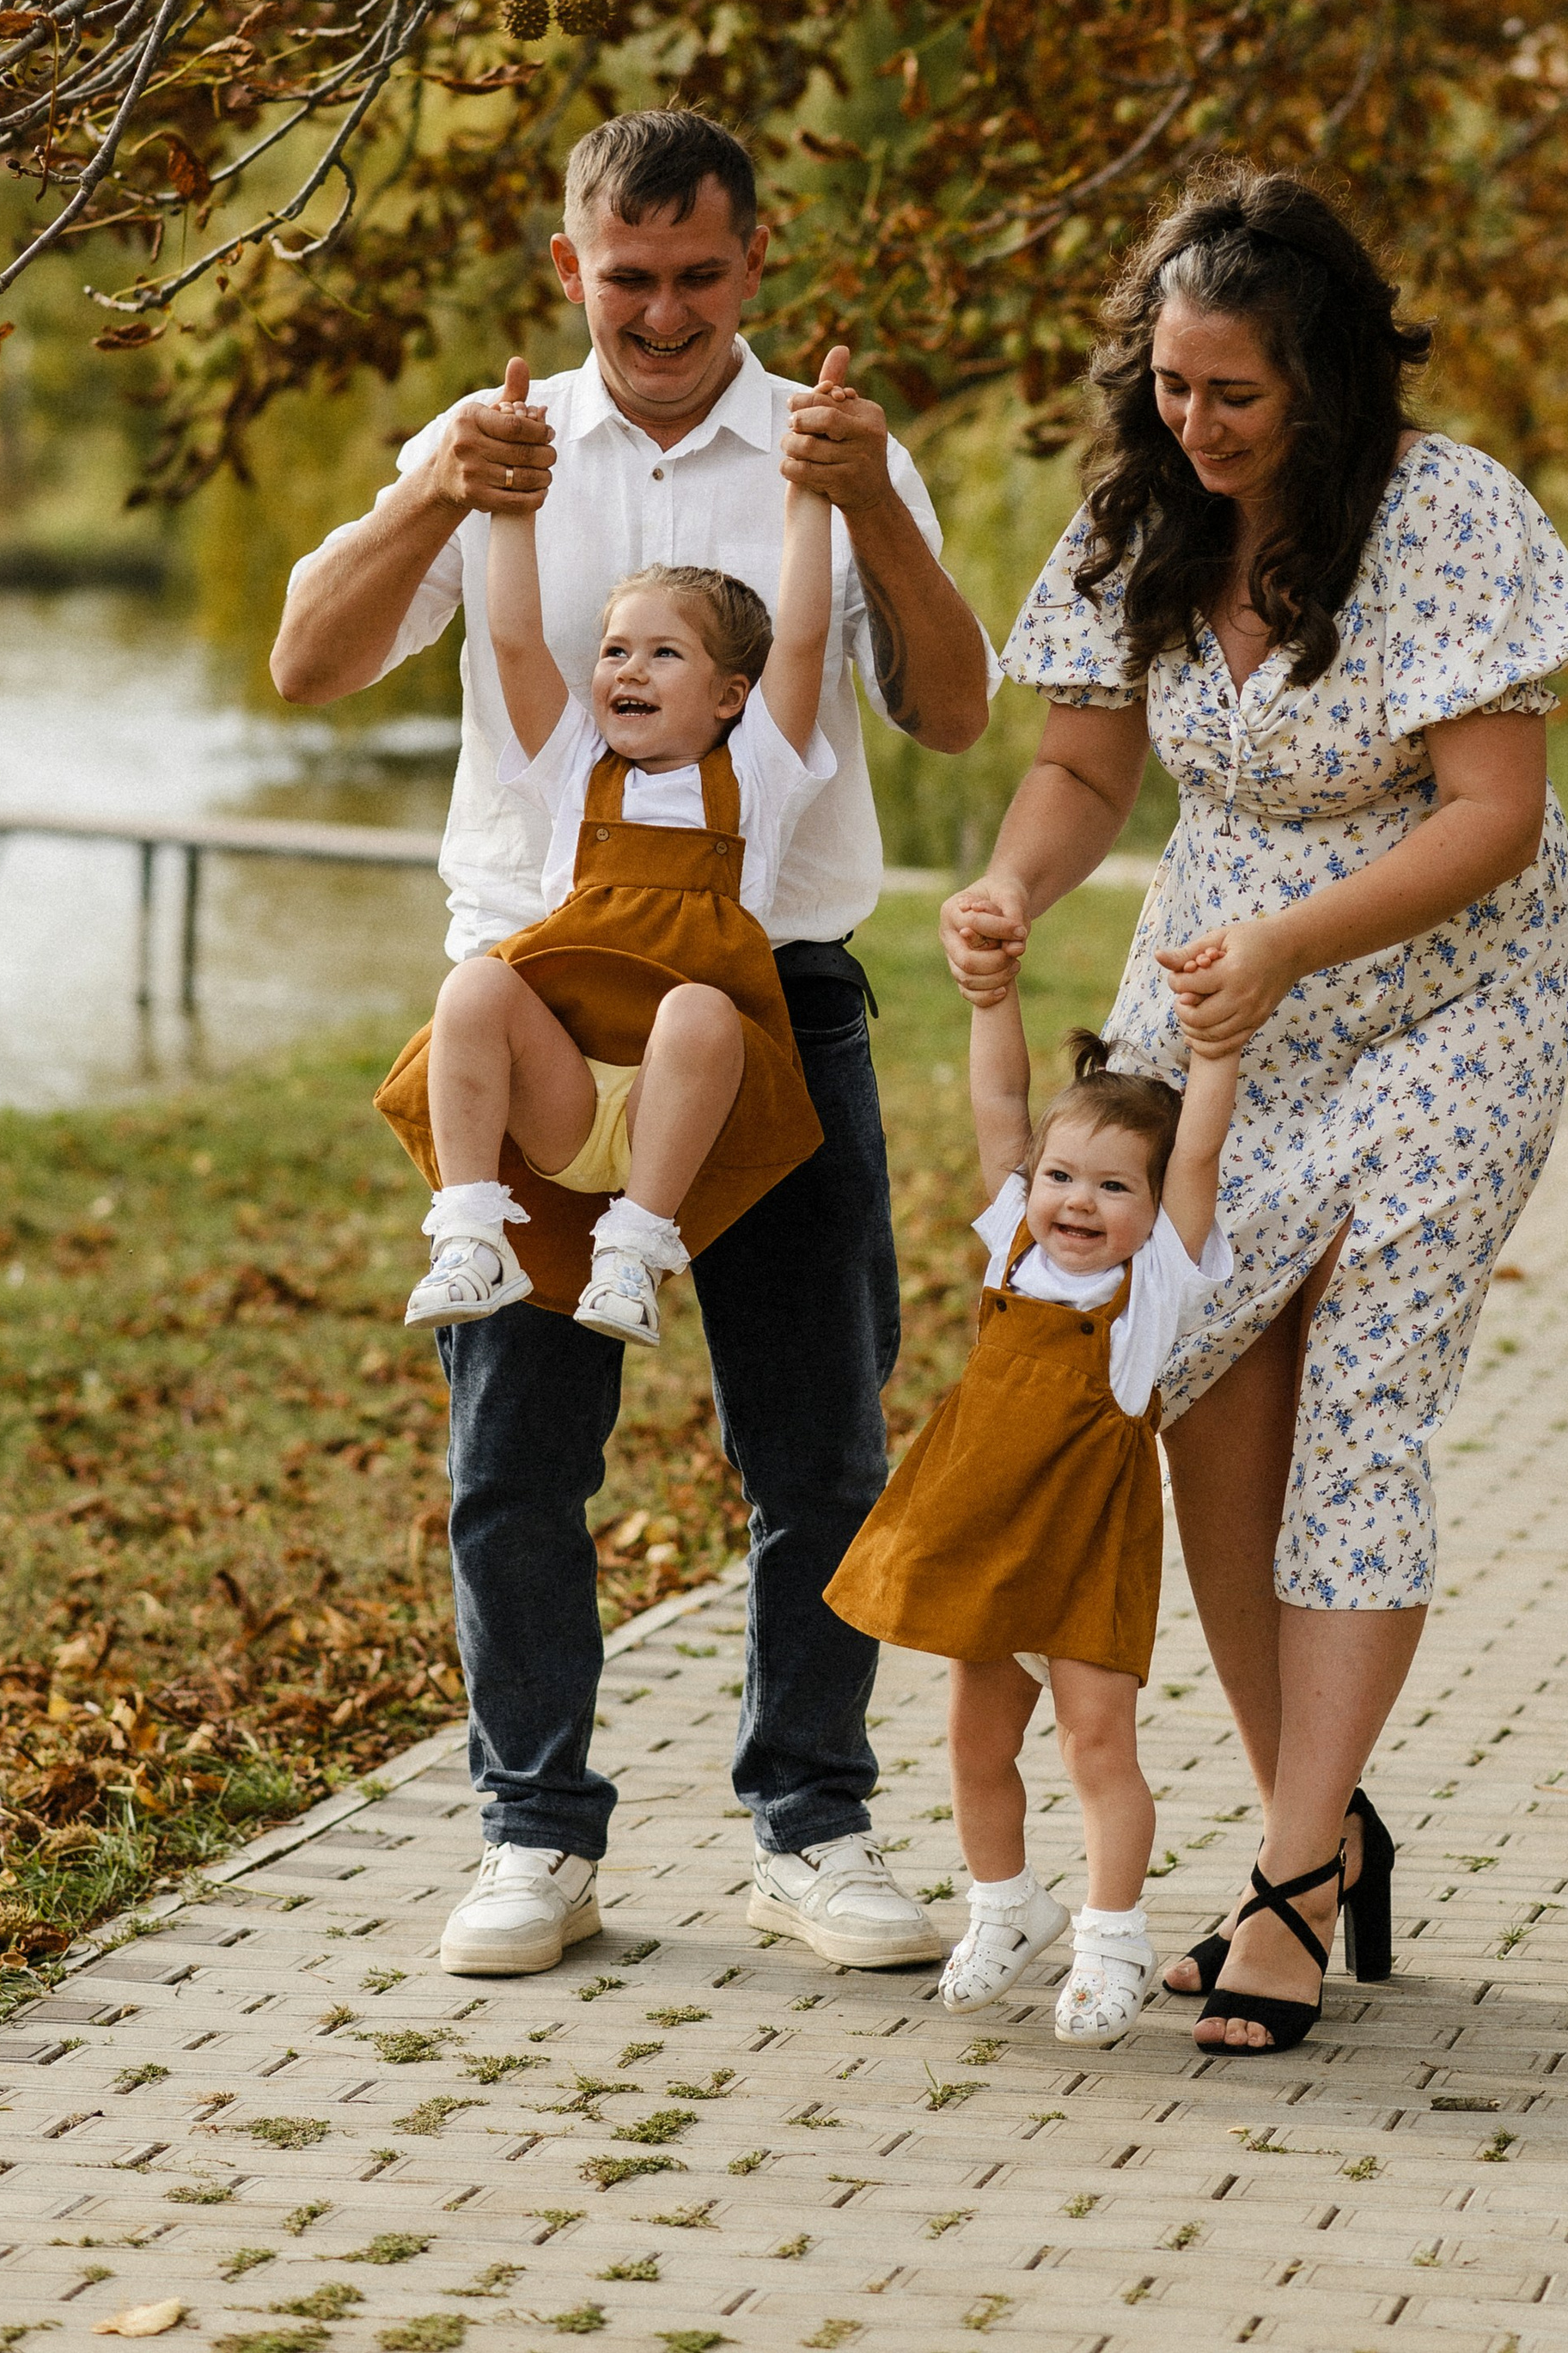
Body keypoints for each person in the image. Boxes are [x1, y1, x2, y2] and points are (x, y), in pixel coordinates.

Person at [272, 106, 996, 1983]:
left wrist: (870, 502)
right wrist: (437, 496)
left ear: (753, 263)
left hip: (774, 1003)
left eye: (695, 276)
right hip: (530, 1001)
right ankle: (535, 1834)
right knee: (517, 1454)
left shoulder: (831, 449)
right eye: (626, 278)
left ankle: (811, 1826)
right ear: (569, 269)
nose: (661, 313)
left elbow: (949, 709)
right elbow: (307, 662)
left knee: (819, 1449)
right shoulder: (494, 444)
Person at [942, 168, 1568, 2055]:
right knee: (1197, 1383)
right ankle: (1313, 1817)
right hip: (1216, 987)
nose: (1198, 424)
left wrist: (1294, 945)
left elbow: (1490, 816)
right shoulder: (1135, 521)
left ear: (1319, 374)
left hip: (1446, 995)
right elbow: (1083, 767)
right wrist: (1012, 885)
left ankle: (1294, 1877)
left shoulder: (1445, 515)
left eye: (1234, 393)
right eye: (1172, 386)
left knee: (1361, 1414)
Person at [375, 376, 842, 1354]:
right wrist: (512, 502)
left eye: (664, 654)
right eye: (615, 650)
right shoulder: (576, 770)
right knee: (474, 985)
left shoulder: (758, 776)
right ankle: (471, 1234)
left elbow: (803, 637)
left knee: (699, 1008)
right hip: (568, 1097)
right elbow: (512, 638)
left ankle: (633, 1251)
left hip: (685, 1105)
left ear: (730, 696)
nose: (628, 669)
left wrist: (809, 492)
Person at [826, 981, 1238, 2044]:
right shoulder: (1014, 1242)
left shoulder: (1154, 1285)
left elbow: (1198, 1152)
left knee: (1095, 1745)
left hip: (1086, 1548)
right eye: (1060, 1175)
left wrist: (1218, 1053)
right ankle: (1005, 1905)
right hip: (988, 1541)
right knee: (974, 1741)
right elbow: (999, 1101)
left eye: (1113, 1185)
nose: (1078, 1202)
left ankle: (1112, 1939)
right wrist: (988, 994)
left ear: (1155, 1208)